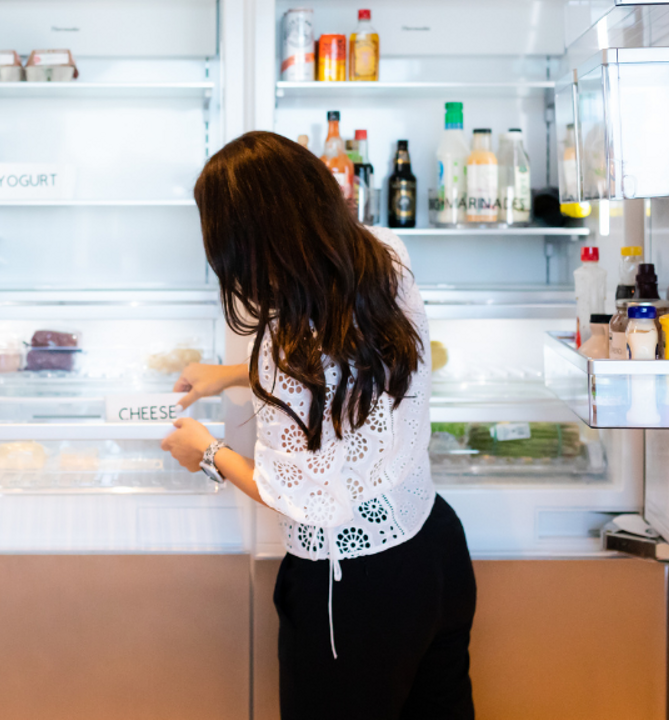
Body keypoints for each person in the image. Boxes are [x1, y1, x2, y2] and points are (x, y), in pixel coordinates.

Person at [161, 131, 477, 720]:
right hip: (434, 547)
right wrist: (231, 374)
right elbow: (345, 364)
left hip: (355, 592)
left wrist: (206, 451)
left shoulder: (287, 341)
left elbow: (298, 495)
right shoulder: (384, 253)